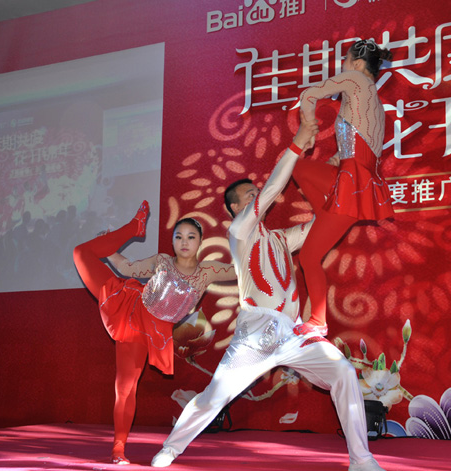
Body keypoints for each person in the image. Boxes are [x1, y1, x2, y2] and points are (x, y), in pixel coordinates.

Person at [150, 117, 385, 471]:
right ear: (235, 208)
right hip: (254, 335)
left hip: (293, 333)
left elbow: (323, 223)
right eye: (249, 195)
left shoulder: (280, 239)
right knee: (214, 397)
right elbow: (273, 188)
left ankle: (361, 460)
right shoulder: (239, 233)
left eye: (254, 193)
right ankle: (170, 449)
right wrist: (298, 143)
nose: (256, 196)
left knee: (343, 372)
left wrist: (339, 178)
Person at [72, 204, 235, 465]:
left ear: (200, 241)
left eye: (190, 237)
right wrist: (109, 246)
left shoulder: (207, 271)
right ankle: (118, 450)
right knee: (81, 252)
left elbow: (242, 270)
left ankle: (118, 448)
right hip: (129, 307)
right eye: (179, 237)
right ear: (172, 241)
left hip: (151, 331)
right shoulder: (162, 261)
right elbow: (126, 268)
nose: (184, 242)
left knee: (127, 387)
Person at [293, 38, 394, 337]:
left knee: (308, 257)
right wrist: (337, 157)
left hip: (352, 186)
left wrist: (308, 131)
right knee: (301, 168)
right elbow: (358, 150)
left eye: (346, 61)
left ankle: (318, 321)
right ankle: (323, 213)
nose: (342, 67)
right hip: (356, 182)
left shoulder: (354, 80)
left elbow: (309, 94)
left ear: (357, 64)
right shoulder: (374, 101)